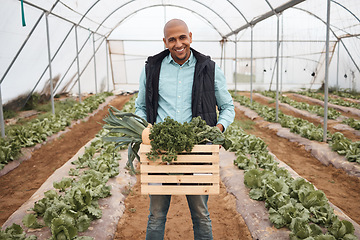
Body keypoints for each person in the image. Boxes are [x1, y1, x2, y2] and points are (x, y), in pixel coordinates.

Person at [135, 18, 235, 240]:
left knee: (201, 214)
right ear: (165, 42)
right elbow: (141, 107)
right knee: (156, 215)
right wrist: (145, 130)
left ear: (190, 37)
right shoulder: (152, 69)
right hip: (160, 152)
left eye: (182, 37)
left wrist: (217, 129)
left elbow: (228, 107)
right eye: (172, 39)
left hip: (197, 151)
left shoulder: (209, 69)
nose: (178, 43)